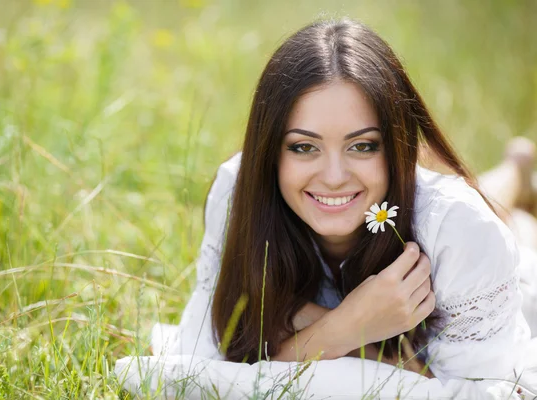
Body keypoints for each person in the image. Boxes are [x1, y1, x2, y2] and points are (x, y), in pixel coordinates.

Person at [120, 19, 537, 398]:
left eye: (362, 145)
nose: (334, 176)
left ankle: (517, 170)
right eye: (304, 147)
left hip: (510, 277)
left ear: (397, 148)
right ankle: (517, 168)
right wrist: (348, 327)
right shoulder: (240, 191)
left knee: (485, 212)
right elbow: (207, 356)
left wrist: (305, 326)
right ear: (271, 152)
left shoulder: (461, 229)